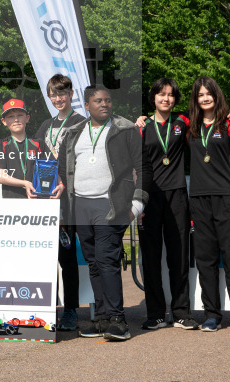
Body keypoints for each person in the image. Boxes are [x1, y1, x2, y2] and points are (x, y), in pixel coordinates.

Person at [58, 84, 152, 341]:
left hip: (110, 206)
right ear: (86, 106)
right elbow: (63, 171)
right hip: (80, 205)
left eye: (108, 100)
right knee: (94, 262)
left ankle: (117, 321)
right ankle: (101, 318)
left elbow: (143, 168)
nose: (105, 104)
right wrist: (66, 212)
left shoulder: (125, 129)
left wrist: (137, 204)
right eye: (98, 101)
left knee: (107, 259)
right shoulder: (74, 132)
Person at [187, 76, 230, 334]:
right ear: (196, 98)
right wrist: (141, 120)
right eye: (201, 94)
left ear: (216, 95)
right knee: (205, 260)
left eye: (209, 93)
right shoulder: (190, 126)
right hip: (199, 200)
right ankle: (212, 315)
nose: (205, 98)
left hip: (227, 198)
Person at [135, 78, 199, 331]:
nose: (166, 99)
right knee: (150, 257)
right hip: (149, 198)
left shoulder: (182, 122)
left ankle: (181, 312)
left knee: (179, 256)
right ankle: (156, 314)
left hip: (177, 195)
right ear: (153, 98)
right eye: (161, 94)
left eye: (171, 95)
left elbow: (210, 118)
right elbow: (134, 165)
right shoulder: (141, 126)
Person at [34, 74, 85, 332]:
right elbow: (34, 159)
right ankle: (47, 309)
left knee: (67, 258)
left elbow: (85, 162)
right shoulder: (45, 125)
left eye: (62, 93)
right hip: (45, 199)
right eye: (53, 94)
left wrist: (65, 182)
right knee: (45, 257)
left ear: (71, 94)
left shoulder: (82, 123)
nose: (57, 99)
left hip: (70, 201)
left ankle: (71, 311)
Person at [0, 98, 46, 198]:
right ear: (4, 121)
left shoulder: (39, 143)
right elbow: (0, 177)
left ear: (27, 118)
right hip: (12, 203)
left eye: (20, 115)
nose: (16, 120)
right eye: (11, 117)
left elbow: (51, 169)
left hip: (37, 199)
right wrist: (24, 183)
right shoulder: (1, 144)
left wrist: (60, 184)